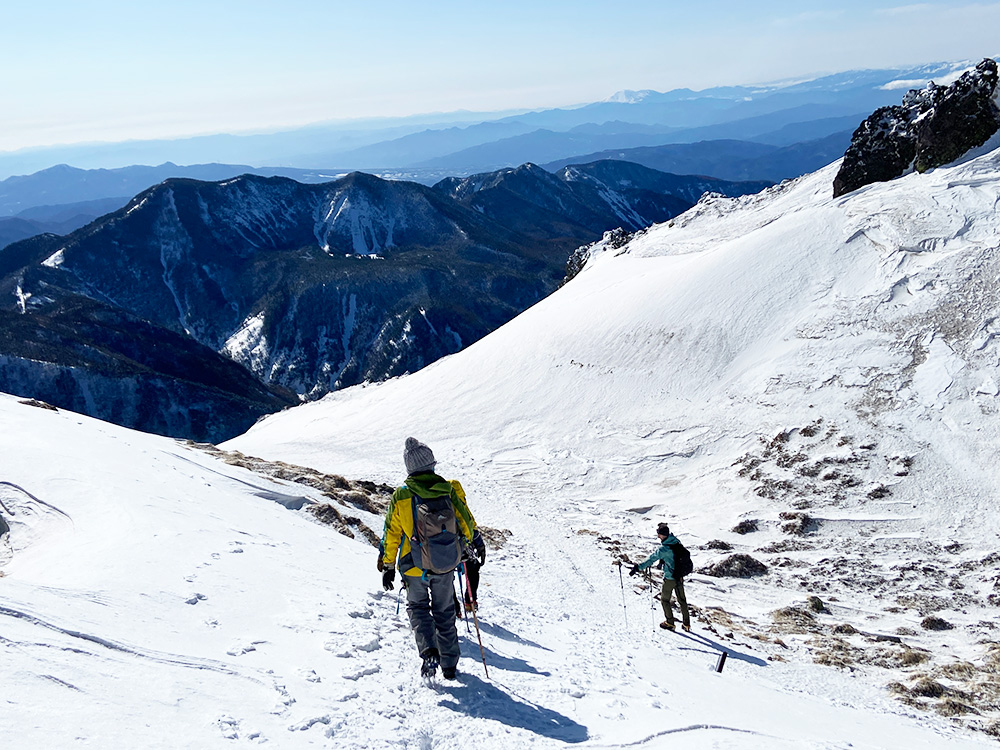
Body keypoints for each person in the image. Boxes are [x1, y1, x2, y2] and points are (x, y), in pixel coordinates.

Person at [378, 437, 483, 679]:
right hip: (444, 563)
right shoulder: (447, 489)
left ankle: (428, 651)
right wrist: (474, 541)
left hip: (413, 566)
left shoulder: (402, 495)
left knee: (418, 608)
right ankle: (449, 665)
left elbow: (391, 533)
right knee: (445, 611)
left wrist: (387, 565)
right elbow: (465, 521)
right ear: (431, 465)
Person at [630, 522, 691, 632]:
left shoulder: (663, 550)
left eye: (659, 534)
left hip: (670, 578)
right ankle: (686, 624)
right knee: (682, 600)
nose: (658, 536)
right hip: (679, 576)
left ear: (663, 535)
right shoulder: (675, 541)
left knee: (664, 600)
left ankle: (670, 623)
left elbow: (650, 559)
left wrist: (638, 567)